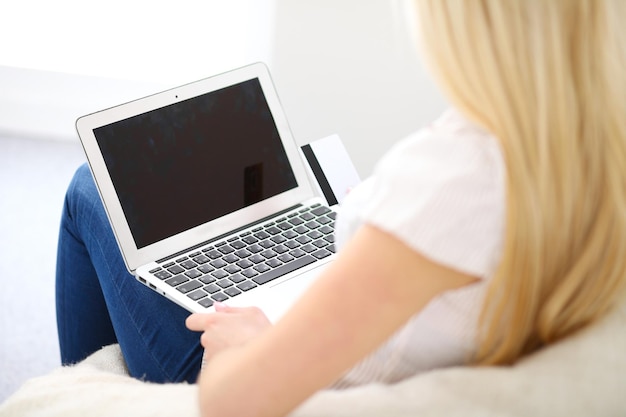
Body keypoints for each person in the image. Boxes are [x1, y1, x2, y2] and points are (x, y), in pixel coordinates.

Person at [56, 0, 626, 416]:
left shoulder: (453, 177)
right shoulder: (591, 140)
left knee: (89, 189)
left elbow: (235, 402)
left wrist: (250, 344)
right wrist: (383, 223)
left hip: (296, 379)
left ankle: (87, 395)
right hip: (366, 323)